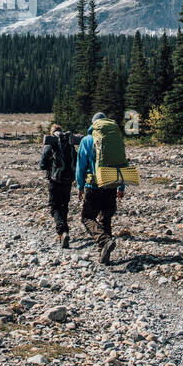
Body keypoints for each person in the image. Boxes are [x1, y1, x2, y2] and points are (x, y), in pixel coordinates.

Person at [76, 112, 125, 265]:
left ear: (93, 124)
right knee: (106, 218)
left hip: (94, 185)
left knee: (87, 217)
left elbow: (81, 166)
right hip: (111, 183)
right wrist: (121, 186)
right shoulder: (115, 140)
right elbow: (121, 162)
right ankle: (104, 253)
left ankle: (104, 242)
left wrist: (80, 186)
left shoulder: (87, 140)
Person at [38, 123, 76, 248]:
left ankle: (62, 231)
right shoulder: (68, 143)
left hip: (54, 180)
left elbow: (42, 164)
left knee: (54, 206)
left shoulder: (52, 143)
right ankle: (64, 232)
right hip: (68, 180)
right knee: (64, 206)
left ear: (52, 132)